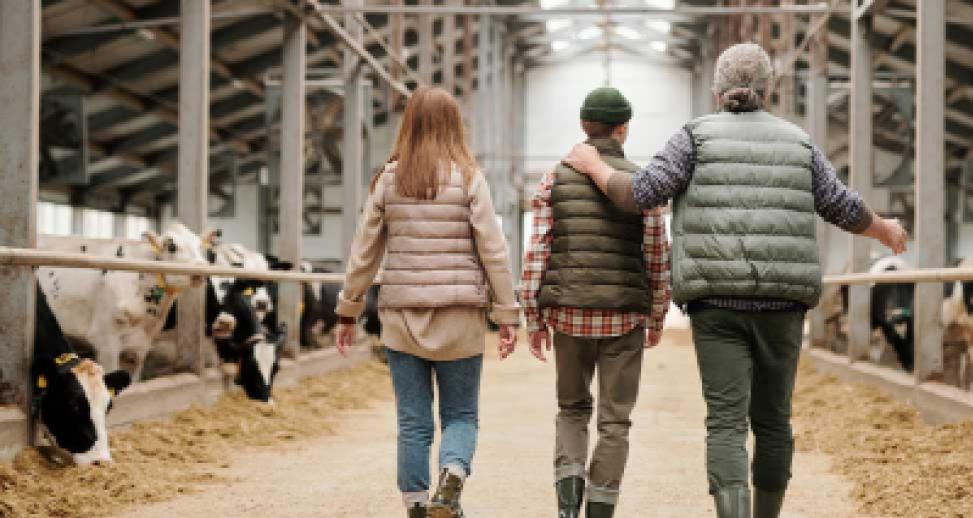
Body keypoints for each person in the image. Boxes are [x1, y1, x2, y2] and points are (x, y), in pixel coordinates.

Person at [562, 43, 908, 518]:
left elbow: (641, 193)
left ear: (717, 90)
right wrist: (884, 227)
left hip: (717, 303)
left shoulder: (694, 138)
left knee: (725, 422)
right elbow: (841, 206)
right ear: (770, 89)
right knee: (773, 421)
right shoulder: (798, 142)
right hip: (784, 304)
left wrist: (595, 166)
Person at [334, 86, 520, 518]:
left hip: (402, 319)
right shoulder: (469, 176)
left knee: (413, 422)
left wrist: (348, 309)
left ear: (409, 123)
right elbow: (493, 249)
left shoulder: (388, 178)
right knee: (460, 415)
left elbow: (364, 252)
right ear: (455, 126)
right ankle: (452, 476)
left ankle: (416, 506)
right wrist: (507, 314)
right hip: (460, 318)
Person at [520, 87, 671, 518]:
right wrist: (657, 312)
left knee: (571, 408)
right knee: (614, 420)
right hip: (624, 317)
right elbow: (657, 254)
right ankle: (601, 511)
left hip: (568, 314)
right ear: (623, 128)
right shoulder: (641, 182)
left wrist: (533, 316)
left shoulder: (555, 178)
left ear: (584, 126)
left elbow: (538, 253)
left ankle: (568, 506)